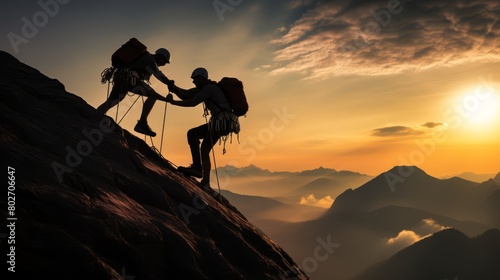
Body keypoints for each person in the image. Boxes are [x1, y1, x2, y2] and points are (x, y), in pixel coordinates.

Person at [166, 67, 239, 188]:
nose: (193, 82)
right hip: (225, 122)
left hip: (220, 121)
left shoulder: (209, 88)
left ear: (200, 78)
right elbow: (187, 95)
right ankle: (205, 181)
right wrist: (174, 89)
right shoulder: (206, 88)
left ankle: (197, 168)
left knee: (192, 134)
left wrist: (173, 102)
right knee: (205, 149)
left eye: (195, 80)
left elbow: (192, 102)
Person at [97, 48, 175, 137]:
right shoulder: (149, 59)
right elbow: (158, 74)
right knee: (153, 95)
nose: (164, 64)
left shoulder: (147, 58)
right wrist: (169, 83)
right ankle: (142, 124)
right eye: (164, 62)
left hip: (122, 77)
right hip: (129, 78)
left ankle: (95, 114)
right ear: (161, 57)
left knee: (113, 100)